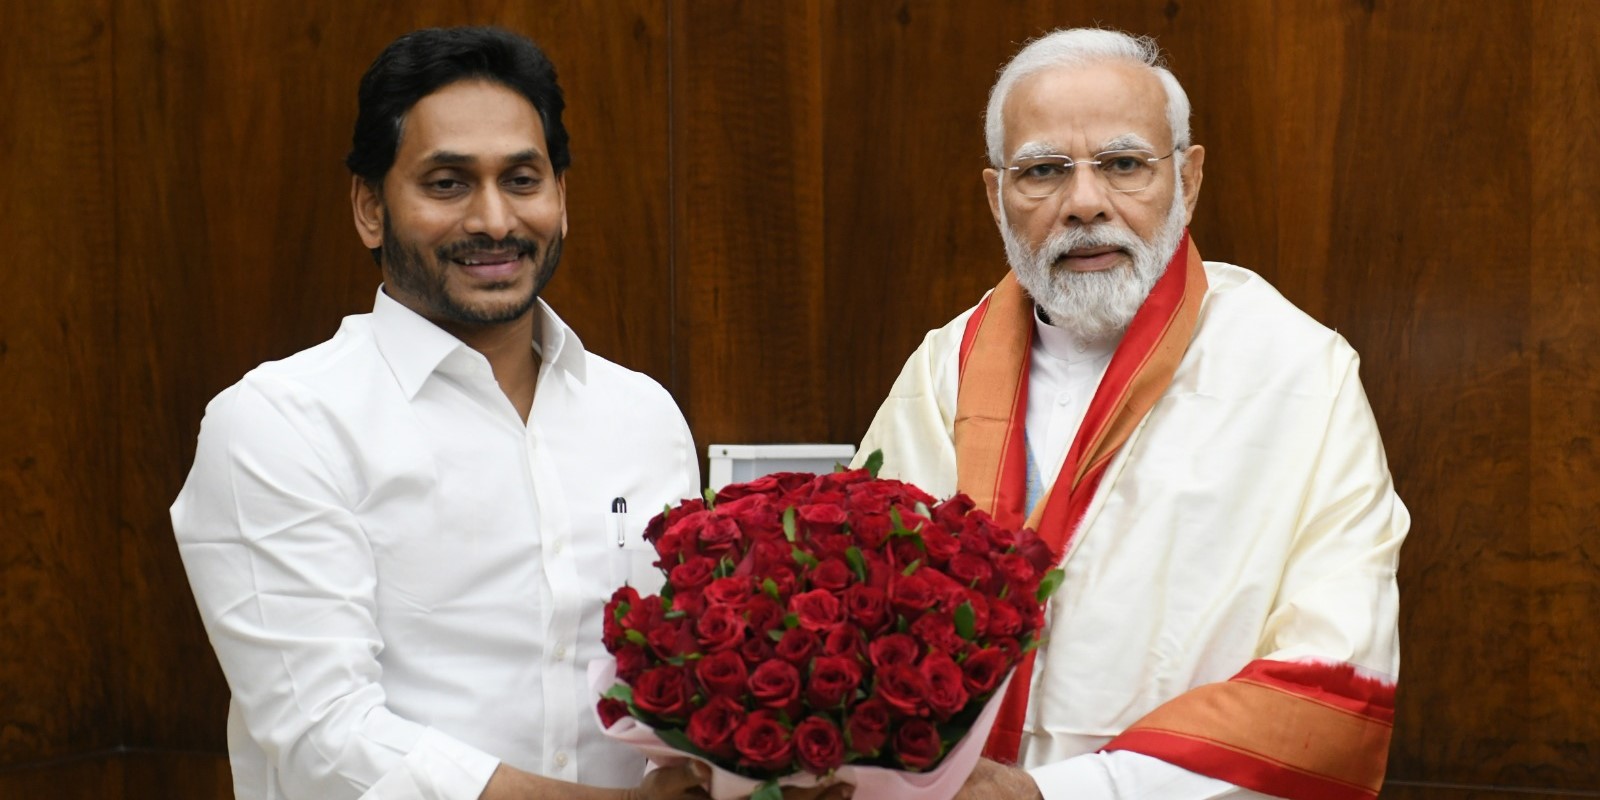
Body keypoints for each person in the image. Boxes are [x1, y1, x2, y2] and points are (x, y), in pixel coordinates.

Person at [856, 28, 1408, 800]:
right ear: (996, 197)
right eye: (1043, 171)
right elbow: (849, 620)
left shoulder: (1299, 374)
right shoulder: (942, 369)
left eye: (1123, 165)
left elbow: (1334, 685)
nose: (1085, 204)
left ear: (1187, 178)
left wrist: (1062, 793)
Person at [172, 27, 708, 800]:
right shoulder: (279, 424)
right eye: (448, 183)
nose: (494, 220)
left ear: (562, 198)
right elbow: (327, 736)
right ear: (369, 207)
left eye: (523, 179)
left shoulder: (641, 414)